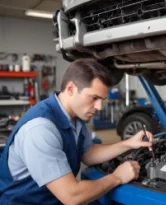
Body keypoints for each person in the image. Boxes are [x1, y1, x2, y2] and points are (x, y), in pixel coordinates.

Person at [0, 58, 153, 205]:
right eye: (94, 98)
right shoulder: (40, 129)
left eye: (102, 100)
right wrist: (117, 177)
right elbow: (72, 196)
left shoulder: (74, 117)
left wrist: (130, 143)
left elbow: (89, 153)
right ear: (71, 89)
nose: (99, 107)